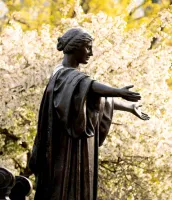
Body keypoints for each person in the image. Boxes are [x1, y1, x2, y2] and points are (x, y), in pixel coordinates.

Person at [29, 28, 150, 200]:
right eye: (88, 47)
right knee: (65, 188)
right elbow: (90, 86)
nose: (91, 53)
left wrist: (129, 107)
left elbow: (96, 97)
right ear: (74, 47)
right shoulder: (64, 74)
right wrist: (117, 91)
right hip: (67, 147)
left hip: (78, 145)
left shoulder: (73, 78)